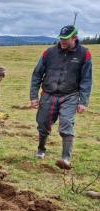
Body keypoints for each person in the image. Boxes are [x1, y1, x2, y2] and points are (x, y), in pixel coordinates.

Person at [30, 25, 92, 170]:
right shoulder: (49, 52)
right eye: (61, 38)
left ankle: (66, 159)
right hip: (48, 94)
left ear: (74, 38)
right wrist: (34, 96)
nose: (62, 41)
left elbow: (86, 79)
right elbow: (37, 74)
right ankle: (41, 149)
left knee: (66, 124)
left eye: (66, 39)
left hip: (70, 95)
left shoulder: (84, 54)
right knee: (43, 123)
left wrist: (83, 101)